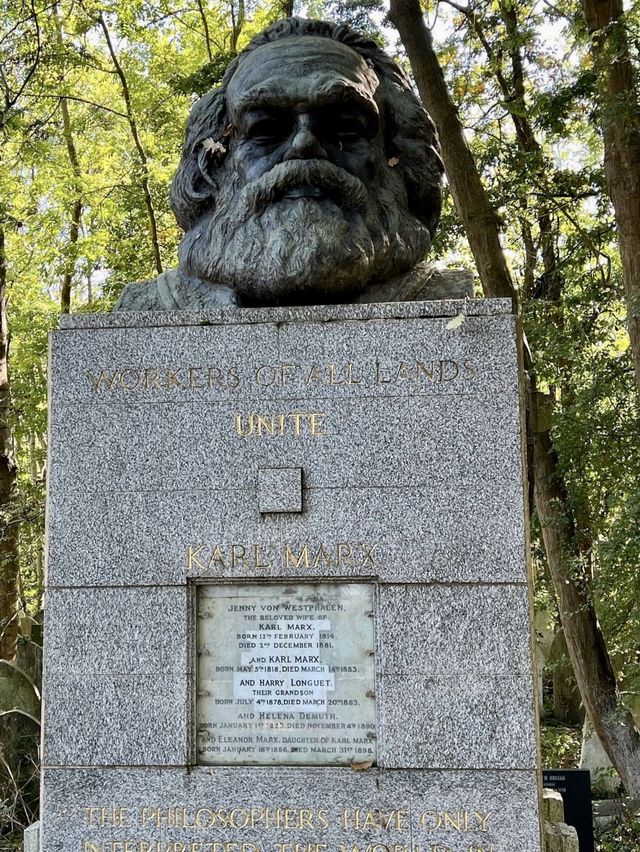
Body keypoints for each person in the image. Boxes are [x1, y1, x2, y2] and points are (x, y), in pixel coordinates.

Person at [116, 17, 456, 311]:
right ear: (215, 163)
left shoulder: (447, 299)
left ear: (395, 150)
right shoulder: (147, 306)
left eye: (343, 127)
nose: (304, 143)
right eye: (266, 129)